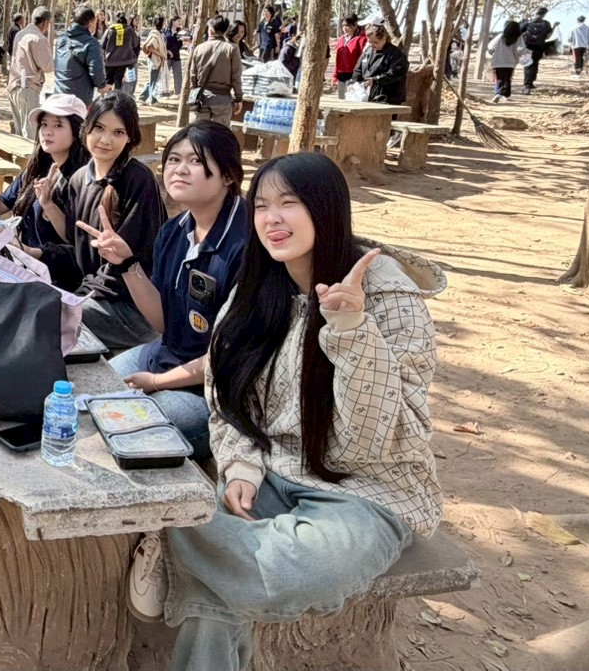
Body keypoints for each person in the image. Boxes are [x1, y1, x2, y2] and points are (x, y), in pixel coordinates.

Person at [126, 152, 445, 670]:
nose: (272, 218)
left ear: (327, 209)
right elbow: (228, 398)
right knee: (225, 591)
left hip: (368, 491)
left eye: (289, 203)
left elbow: (372, 439)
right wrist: (241, 465)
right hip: (272, 472)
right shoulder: (258, 289)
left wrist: (351, 332)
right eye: (261, 206)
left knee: (298, 573)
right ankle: (196, 542)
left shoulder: (389, 296)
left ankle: (174, 533)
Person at [76, 121, 247, 457]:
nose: (180, 169)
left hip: (216, 391)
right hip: (166, 355)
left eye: (196, 161)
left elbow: (230, 358)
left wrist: (155, 384)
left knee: (122, 429)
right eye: (173, 160)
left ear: (228, 175)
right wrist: (126, 264)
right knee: (87, 394)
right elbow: (163, 323)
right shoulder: (174, 231)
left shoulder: (245, 245)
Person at [51, 91, 165, 352]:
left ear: (130, 137)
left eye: (118, 132)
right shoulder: (79, 179)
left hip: (132, 307)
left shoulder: (138, 180)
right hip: (95, 294)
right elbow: (76, 250)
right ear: (86, 128)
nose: (105, 140)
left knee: (48, 320)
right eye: (99, 128)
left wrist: (77, 298)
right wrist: (30, 252)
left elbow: (131, 266)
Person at [0, 92, 90, 291]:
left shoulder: (83, 179)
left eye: (58, 125)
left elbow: (75, 238)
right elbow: (3, 202)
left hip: (55, 277)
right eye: (44, 124)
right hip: (22, 264)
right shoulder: (39, 167)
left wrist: (48, 205)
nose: (47, 132)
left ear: (77, 132)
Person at [187, 15, 244, 124]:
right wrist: (239, 99)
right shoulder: (232, 49)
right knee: (219, 133)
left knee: (201, 132)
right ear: (225, 31)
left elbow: (193, 76)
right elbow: (236, 77)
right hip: (223, 101)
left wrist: (195, 95)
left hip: (202, 99)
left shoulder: (199, 49)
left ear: (211, 30)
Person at [8, 7, 55, 136]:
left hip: (14, 85)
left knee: (19, 132)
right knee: (30, 133)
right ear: (45, 23)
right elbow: (48, 66)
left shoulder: (20, 34)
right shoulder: (38, 38)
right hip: (27, 87)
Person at [54, 4, 109, 103]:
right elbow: (96, 70)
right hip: (78, 99)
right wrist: (102, 86)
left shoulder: (61, 39)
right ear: (91, 24)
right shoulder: (91, 43)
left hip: (58, 95)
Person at [351, 25, 409, 104]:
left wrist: (376, 80)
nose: (372, 45)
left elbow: (398, 72)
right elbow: (358, 70)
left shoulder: (396, 54)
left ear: (384, 38)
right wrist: (354, 82)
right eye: (370, 42)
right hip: (367, 96)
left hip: (388, 98)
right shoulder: (368, 51)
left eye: (375, 42)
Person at [102, 10, 141, 90]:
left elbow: (102, 44)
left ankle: (107, 96)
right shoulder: (130, 30)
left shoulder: (110, 30)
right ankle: (117, 96)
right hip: (124, 62)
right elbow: (135, 44)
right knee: (119, 85)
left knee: (108, 84)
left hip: (110, 62)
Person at [520, 7, 555, 93]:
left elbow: (519, 33)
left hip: (528, 47)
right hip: (539, 47)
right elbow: (548, 37)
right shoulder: (546, 23)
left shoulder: (527, 23)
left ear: (536, 13)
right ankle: (530, 83)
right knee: (535, 64)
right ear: (544, 14)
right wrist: (554, 27)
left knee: (528, 65)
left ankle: (527, 85)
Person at [331, 15, 367, 98]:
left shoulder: (362, 39)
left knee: (351, 99)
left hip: (353, 75)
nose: (345, 28)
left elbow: (363, 58)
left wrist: (360, 76)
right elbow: (338, 58)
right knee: (341, 99)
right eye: (343, 25)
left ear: (355, 25)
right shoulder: (341, 39)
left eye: (347, 25)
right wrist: (334, 75)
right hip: (341, 74)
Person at [490, 19, 524, 104]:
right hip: (510, 62)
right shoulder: (518, 37)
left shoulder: (501, 36)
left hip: (498, 61)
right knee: (507, 78)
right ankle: (505, 95)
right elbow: (521, 49)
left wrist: (493, 53)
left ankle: (498, 93)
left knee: (499, 78)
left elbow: (490, 46)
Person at [139, 16, 167, 105]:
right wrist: (161, 55)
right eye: (164, 22)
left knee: (153, 79)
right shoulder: (155, 33)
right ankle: (152, 100)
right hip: (154, 60)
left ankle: (143, 98)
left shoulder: (158, 33)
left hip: (156, 60)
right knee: (153, 80)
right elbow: (149, 46)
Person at [164, 18, 185, 98]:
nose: (180, 22)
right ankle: (165, 92)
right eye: (178, 21)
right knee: (166, 75)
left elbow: (180, 45)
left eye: (180, 21)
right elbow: (164, 43)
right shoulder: (166, 31)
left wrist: (181, 40)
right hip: (167, 57)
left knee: (178, 75)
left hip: (176, 57)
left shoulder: (180, 33)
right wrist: (167, 51)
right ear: (173, 21)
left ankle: (178, 93)